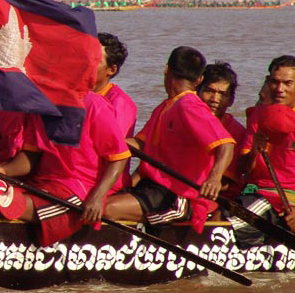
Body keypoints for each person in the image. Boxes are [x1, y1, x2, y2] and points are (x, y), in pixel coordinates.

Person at [104, 46, 235, 231]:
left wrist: (214, 177)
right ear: (199, 80)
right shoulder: (165, 106)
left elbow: (226, 144)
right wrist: (103, 141)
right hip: (154, 188)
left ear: (166, 70)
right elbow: (140, 144)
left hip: (179, 195)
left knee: (109, 209)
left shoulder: (190, 106)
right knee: (103, 200)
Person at [0, 91, 130, 247]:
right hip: (44, 183)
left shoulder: (93, 104)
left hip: (82, 187)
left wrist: (97, 197)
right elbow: (31, 156)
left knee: (7, 204)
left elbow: (119, 157)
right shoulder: (38, 106)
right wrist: (4, 171)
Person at [232, 55, 295, 239]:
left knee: (227, 222)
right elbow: (243, 169)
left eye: (287, 83)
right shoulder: (258, 115)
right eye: (275, 82)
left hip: (284, 199)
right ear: (268, 81)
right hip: (257, 193)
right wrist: (254, 151)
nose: (280, 89)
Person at [197, 61, 245, 198]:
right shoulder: (187, 121)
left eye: (222, 94)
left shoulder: (236, 131)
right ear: (197, 92)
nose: (215, 99)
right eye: (209, 91)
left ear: (231, 100)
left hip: (216, 197)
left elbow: (225, 182)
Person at [94, 32, 137, 139]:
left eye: (95, 60)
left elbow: (115, 148)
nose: (86, 63)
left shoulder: (119, 104)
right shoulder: (74, 94)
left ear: (112, 69)